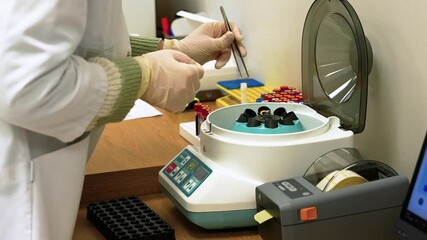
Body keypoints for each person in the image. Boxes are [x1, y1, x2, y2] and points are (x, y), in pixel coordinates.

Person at [0, 1, 246, 239]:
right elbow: (29, 88)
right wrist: (144, 76)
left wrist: (170, 49)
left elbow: (79, 43)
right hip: (18, 194)